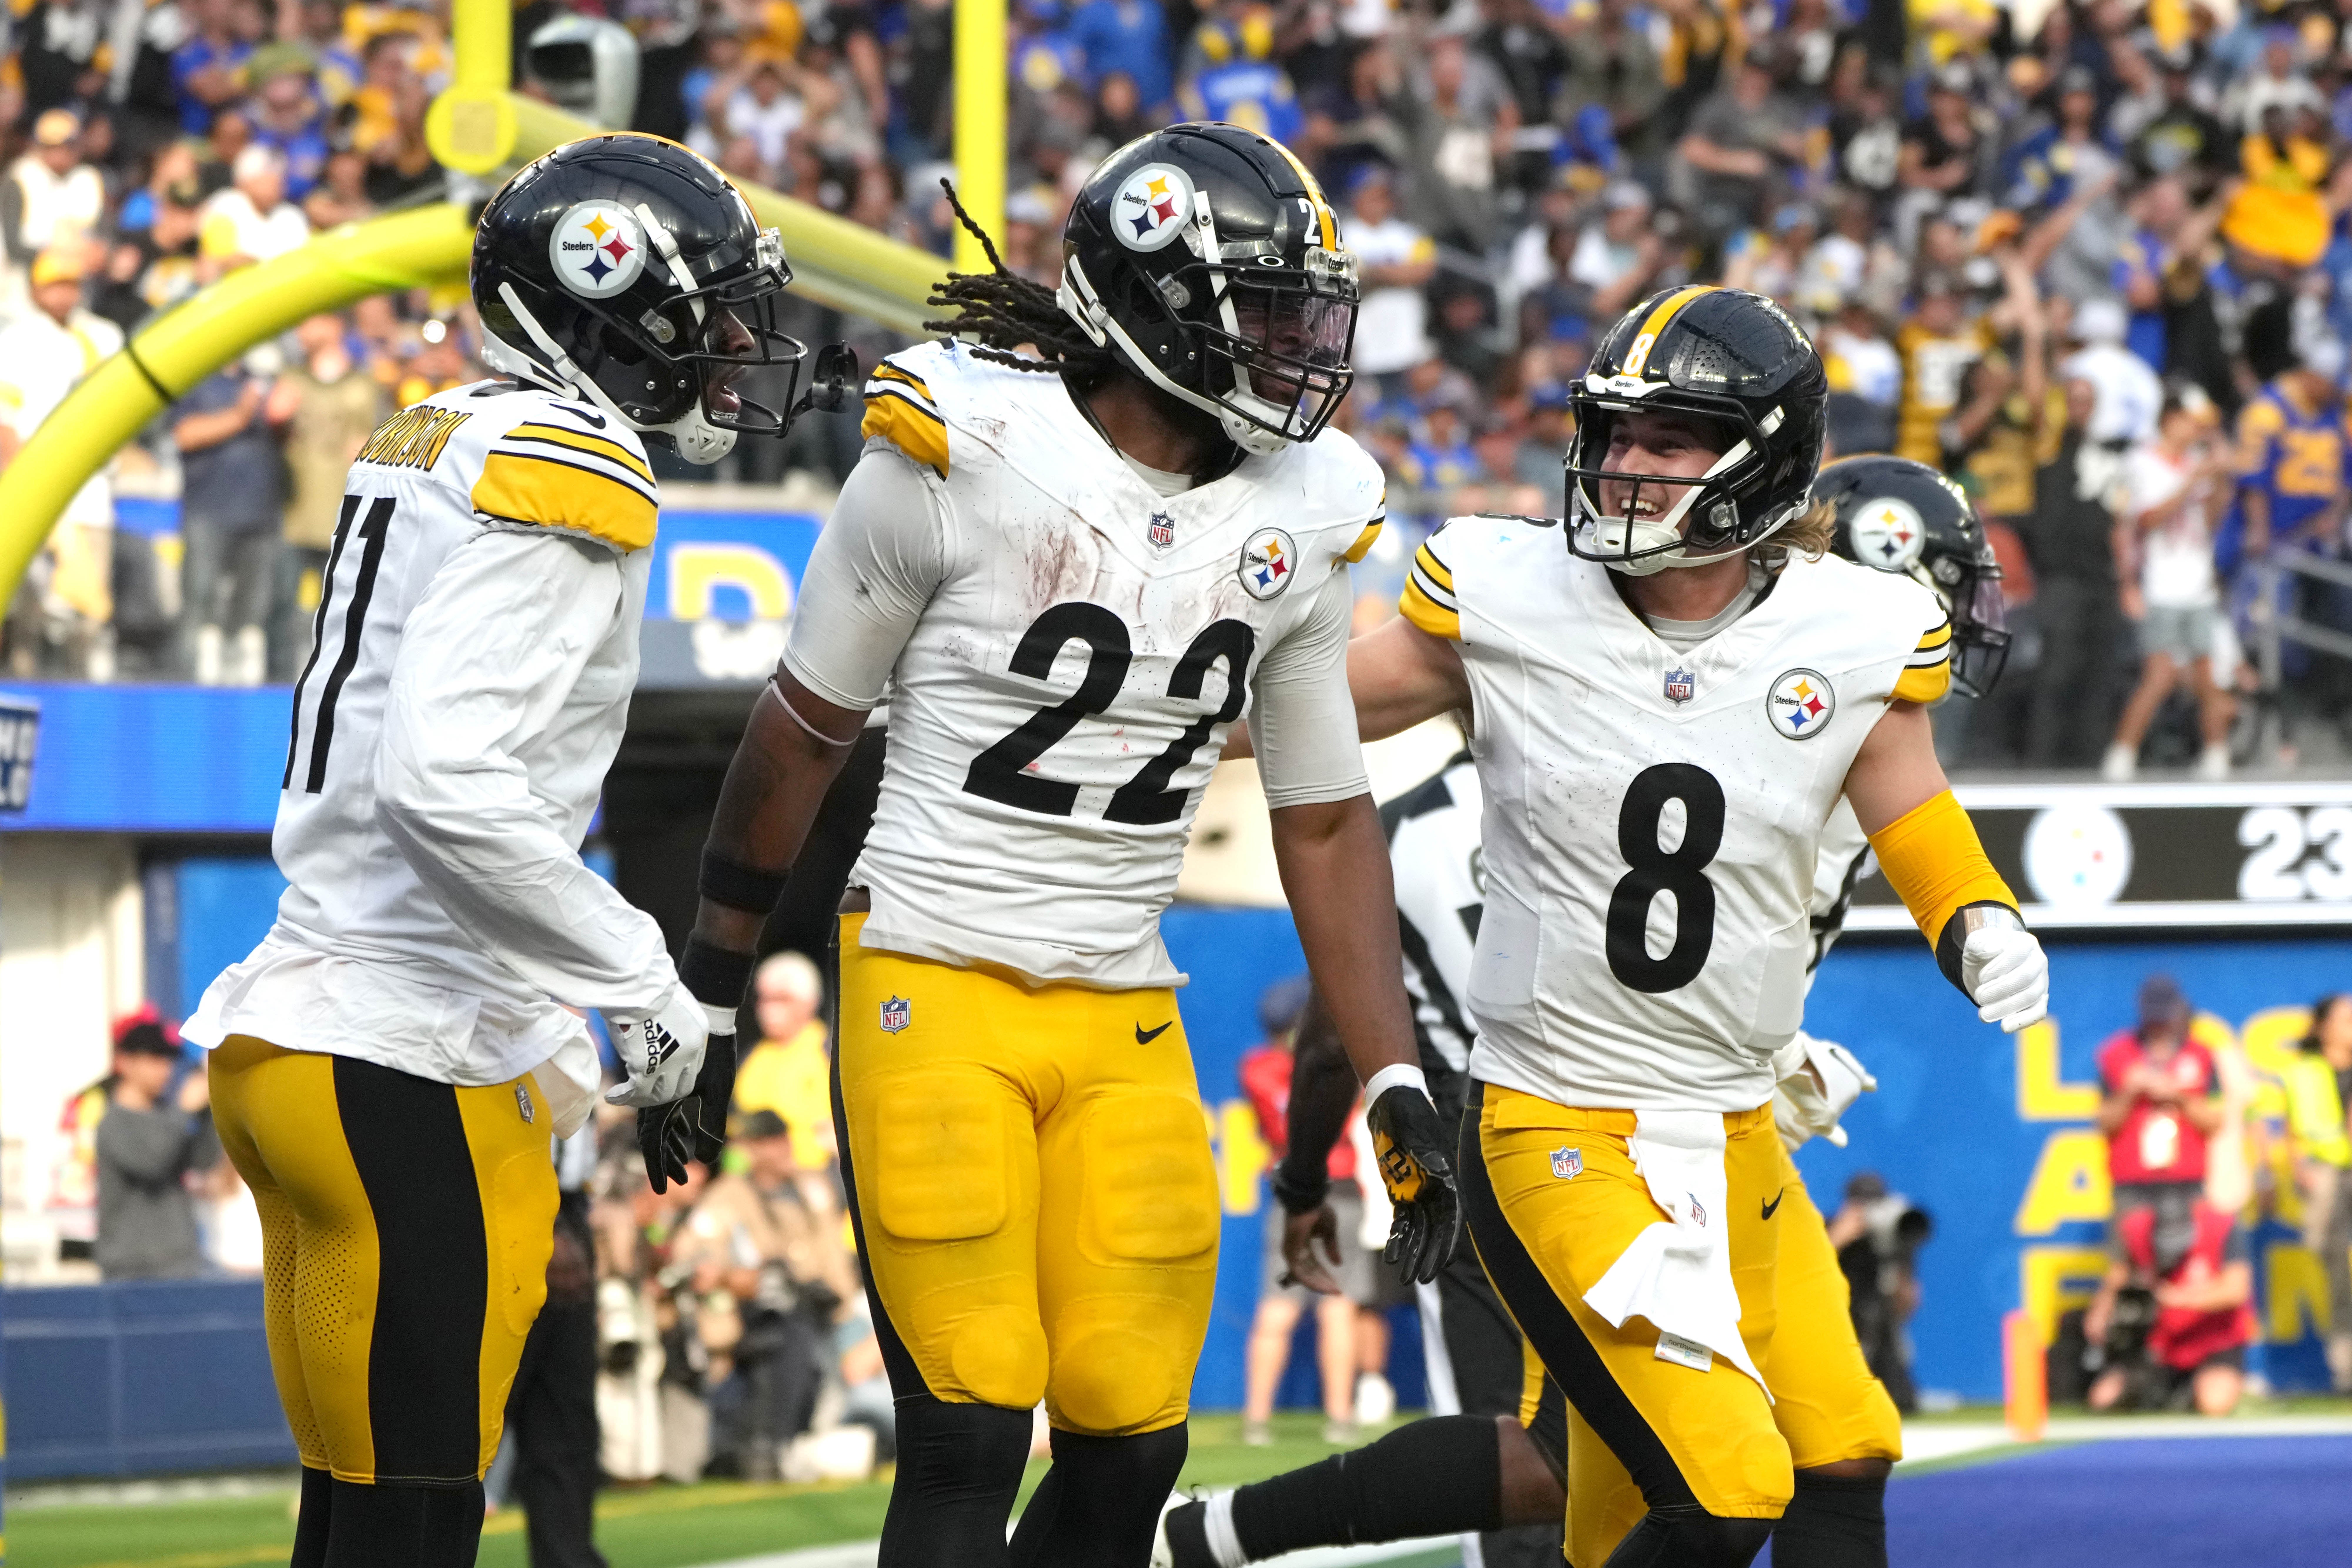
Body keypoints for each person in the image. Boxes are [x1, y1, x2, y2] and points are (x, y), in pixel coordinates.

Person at [681, 125, 1460, 1567]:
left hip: (1120, 989)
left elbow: (1324, 807)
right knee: (973, 1421)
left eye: (1308, 307)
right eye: (1268, 308)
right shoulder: (959, 448)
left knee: (1134, 1433)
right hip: (930, 961)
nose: (1303, 342)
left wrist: (1393, 1068)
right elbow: (799, 733)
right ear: (1155, 303)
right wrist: (717, 979)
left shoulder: (1306, 504)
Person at [1266, 285, 2048, 1567]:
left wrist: (1974, 916)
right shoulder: (1512, 592)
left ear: (1766, 458)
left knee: (1839, 1447)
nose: (1625, 468)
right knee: (1723, 1479)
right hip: (1555, 1118)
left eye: (1669, 440)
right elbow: (1304, 708)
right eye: (1616, 434)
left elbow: (1911, 811)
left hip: (1731, 1123)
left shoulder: (1852, 629)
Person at [181, 135, 823, 1568]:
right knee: (416, 1528)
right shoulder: (570, 460)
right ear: (610, 298)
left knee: (352, 1519)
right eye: (707, 309)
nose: (732, 343)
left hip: (299, 1035)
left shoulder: (441, 429)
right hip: (412, 1056)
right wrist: (642, 974)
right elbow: (446, 781)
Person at [673, 1109, 860, 1480]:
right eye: (765, 1143)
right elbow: (695, 1257)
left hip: (824, 1319)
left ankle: (796, 1443)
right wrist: (735, 1277)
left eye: (779, 1140)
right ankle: (769, 1446)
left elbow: (836, 1278)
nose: (778, 1150)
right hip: (750, 1328)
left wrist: (819, 1208)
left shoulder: (810, 1191)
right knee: (786, 1322)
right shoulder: (730, 1194)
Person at [1237, 974, 1363, 1447]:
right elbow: (1345, 1093)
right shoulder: (1323, 1061)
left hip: (1291, 1187)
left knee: (1278, 1307)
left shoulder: (1255, 1069)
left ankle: (1257, 1420)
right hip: (1339, 1182)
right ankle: (1340, 1417)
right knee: (1337, 1306)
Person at [0, 245, 124, 679]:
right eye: (54, 284)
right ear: (35, 289)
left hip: (90, 489)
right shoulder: (16, 339)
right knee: (29, 607)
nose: (63, 294)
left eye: (70, 284)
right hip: (37, 485)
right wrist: (17, 483)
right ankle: (26, 680)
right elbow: (6, 418)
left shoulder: (103, 336)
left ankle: (82, 688)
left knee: (89, 606)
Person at [2104, 392, 2234, 780]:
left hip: (2198, 584)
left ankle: (2216, 756)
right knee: (2159, 675)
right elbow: (2148, 520)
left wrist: (2220, 481)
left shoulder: (2195, 462)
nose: (2197, 429)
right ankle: (2122, 754)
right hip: (2160, 583)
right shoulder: (2141, 462)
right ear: (2170, 419)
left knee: (2206, 674)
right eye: (2191, 421)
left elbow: (2208, 523)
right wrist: (2192, 481)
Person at [502, 1128, 606, 1568]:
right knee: (468, 1418)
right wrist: (551, 1224)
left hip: (563, 1209)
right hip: (519, 1209)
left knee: (562, 1420)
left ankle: (566, 1559)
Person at [275, 312, 387, 680]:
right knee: (283, 612)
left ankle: (341, 683)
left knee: (345, 613)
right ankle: (277, 686)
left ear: (335, 324)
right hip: (296, 516)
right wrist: (273, 418)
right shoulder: (290, 380)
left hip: (346, 522)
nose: (302, 330)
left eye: (311, 321)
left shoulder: (365, 384)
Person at [171, 350, 292, 685]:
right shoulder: (197, 380)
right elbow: (185, 434)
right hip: (208, 510)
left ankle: (254, 688)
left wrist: (283, 418)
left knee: (254, 608)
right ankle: (186, 685)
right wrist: (240, 415)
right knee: (200, 601)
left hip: (262, 511)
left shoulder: (268, 381)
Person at [2082, 1187, 2252, 1416]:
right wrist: (2101, 1312)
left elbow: (2236, 1291)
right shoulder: (2135, 1229)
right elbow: (2117, 1276)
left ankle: (2212, 1389)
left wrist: (2177, 1298)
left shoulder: (2221, 1227)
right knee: (2104, 1399)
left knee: (2214, 1403)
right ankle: (2170, 1393)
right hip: (2160, 1345)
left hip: (2215, 1342)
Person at [95, 1011, 222, 1281]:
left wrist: (209, 1107)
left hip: (181, 1265)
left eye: (168, 1060)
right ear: (125, 1063)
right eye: (153, 1059)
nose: (164, 1069)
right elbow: (152, 1162)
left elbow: (203, 1161)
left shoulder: (168, 1117)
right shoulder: (113, 1123)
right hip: (132, 1272)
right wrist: (185, 1109)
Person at [2097, 975, 2221, 1233]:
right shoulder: (2117, 1053)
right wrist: (2130, 1092)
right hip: (2133, 1182)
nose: (2159, 1024)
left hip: (2186, 1180)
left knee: (2190, 1261)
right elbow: (2104, 1123)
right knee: (2129, 1264)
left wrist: (2178, 1097)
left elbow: (2214, 1122)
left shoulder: (2201, 1055)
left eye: (2164, 1014)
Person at [2284, 994, 2352, 1392]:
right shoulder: (2304, 1071)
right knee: (2334, 1274)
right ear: (2323, 1025)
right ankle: (2346, 1370)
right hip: (2327, 1173)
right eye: (2344, 1017)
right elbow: (2293, 1127)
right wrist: (2300, 1169)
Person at [732, 950, 836, 1171]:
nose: (769, 1009)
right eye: (763, 998)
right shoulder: (751, 1057)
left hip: (812, 1181)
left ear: (810, 1002)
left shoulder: (830, 1055)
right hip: (750, 1175)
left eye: (782, 999)